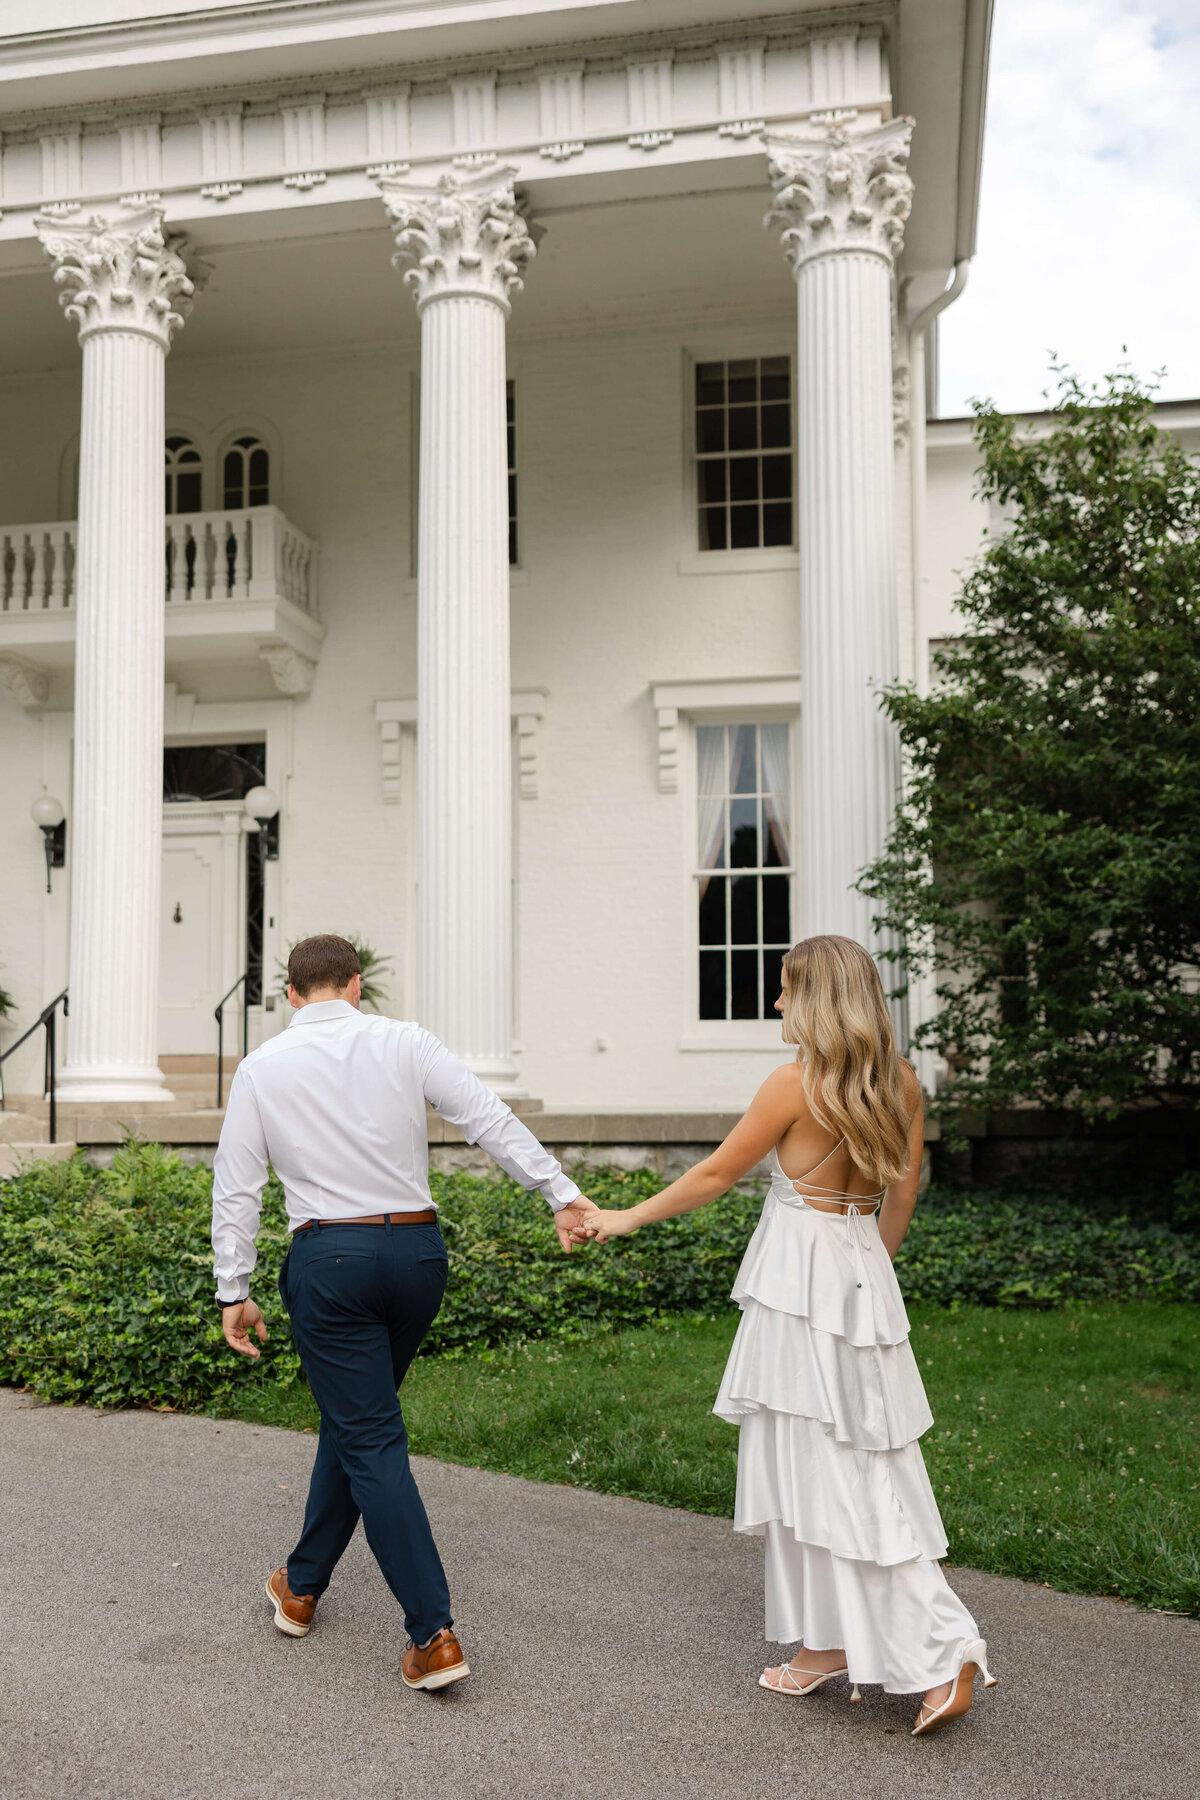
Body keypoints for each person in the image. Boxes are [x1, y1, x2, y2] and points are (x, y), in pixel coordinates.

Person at [582, 935, 996, 1736]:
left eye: (783, 991)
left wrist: (624, 1216)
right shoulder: (902, 1085)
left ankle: (945, 1649)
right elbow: (902, 1197)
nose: (775, 1005)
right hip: (861, 1272)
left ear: (816, 1000)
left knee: (831, 1471)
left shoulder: (792, 1084)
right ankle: (823, 1647)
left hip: (797, 1285)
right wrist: (865, 1277)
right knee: (840, 1462)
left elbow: (714, 1174)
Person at [211, 934, 598, 1691]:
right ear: (357, 985)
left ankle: (434, 1634)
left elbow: (237, 1185)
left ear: (292, 995)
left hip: (330, 1261)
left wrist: (234, 1287)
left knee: (369, 1435)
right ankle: (301, 1584)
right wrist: (562, 1193)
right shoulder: (405, 1040)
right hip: (417, 1258)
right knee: (360, 1420)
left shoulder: (261, 1067)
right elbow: (488, 1117)